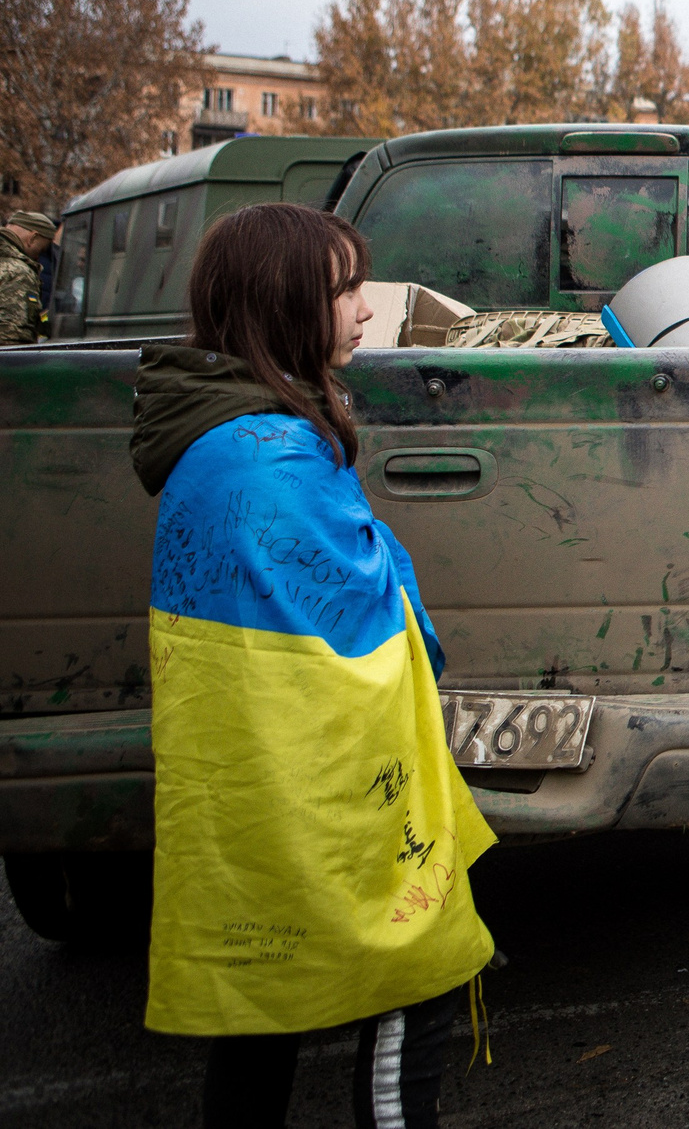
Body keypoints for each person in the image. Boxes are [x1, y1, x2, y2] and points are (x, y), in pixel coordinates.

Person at [132, 203, 494, 1127]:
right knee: (418, 975)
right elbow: (361, 616)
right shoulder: (265, 460)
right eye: (345, 289)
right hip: (315, 785)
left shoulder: (231, 436)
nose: (366, 310)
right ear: (287, 301)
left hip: (257, 787)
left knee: (265, 1010)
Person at [1, 208, 56, 345]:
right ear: (32, 238)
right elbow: (12, 337)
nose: (38, 257)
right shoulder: (18, 272)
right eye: (41, 250)